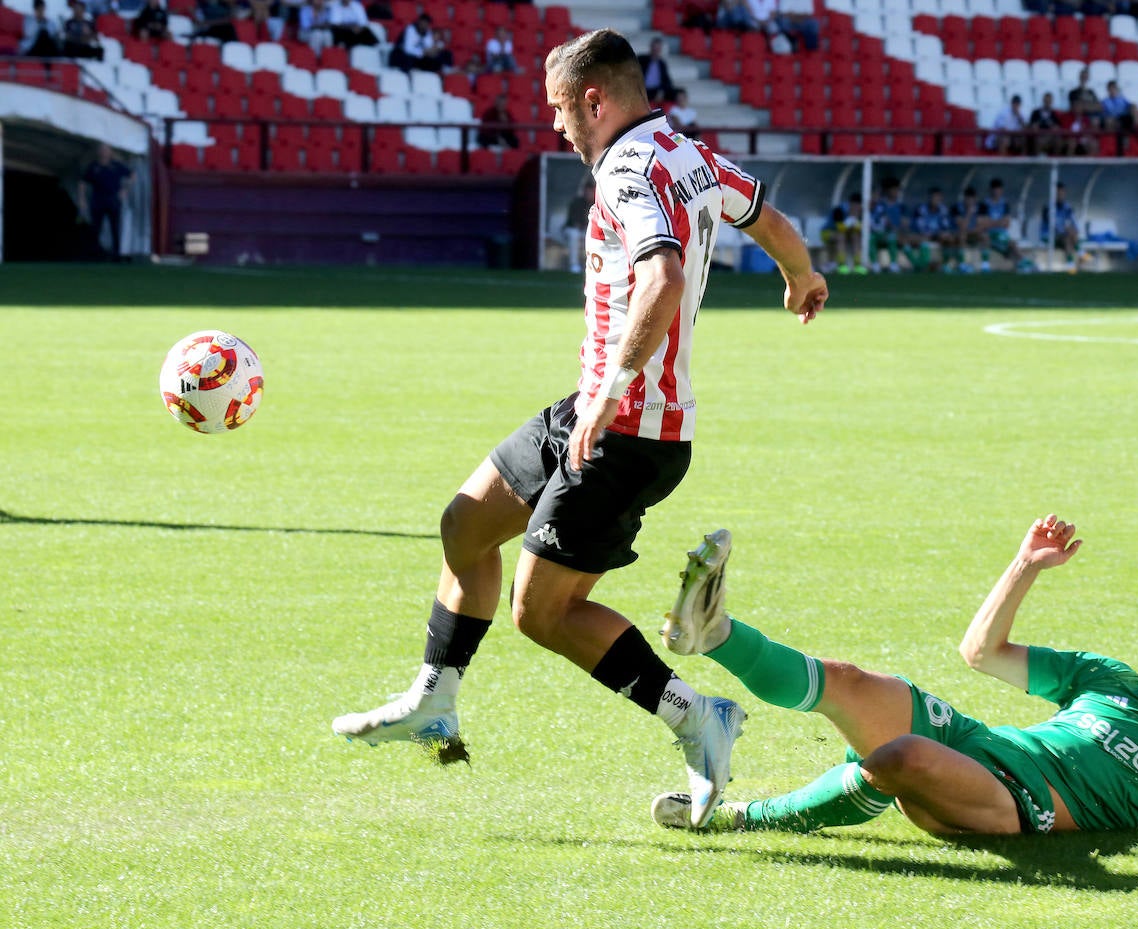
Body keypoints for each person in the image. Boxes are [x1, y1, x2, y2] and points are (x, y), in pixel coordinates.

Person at [331, 28, 829, 832]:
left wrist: (614, 389)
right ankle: (435, 700)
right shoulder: (689, 154)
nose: (559, 128)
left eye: (562, 110)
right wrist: (801, 272)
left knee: (544, 613)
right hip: (595, 410)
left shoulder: (627, 170)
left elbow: (662, 276)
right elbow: (765, 216)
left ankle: (699, 718)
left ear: (594, 100)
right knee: (467, 523)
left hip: (629, 430)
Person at [651, 516, 1138, 838]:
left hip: (1018, 803)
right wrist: (1025, 567)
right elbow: (981, 653)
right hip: (982, 745)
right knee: (850, 683)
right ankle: (714, 634)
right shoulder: (1106, 678)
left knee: (896, 758)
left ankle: (749, 817)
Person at [79, 143, 131, 260]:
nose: (104, 153)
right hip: (97, 201)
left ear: (110, 153)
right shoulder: (94, 167)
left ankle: (116, 254)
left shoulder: (116, 166)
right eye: (102, 150)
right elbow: (83, 182)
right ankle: (94, 254)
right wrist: (82, 199)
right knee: (95, 228)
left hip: (113, 201)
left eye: (106, 150)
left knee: (115, 228)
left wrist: (125, 190)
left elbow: (132, 175)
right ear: (98, 152)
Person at [978, 177, 1032, 272]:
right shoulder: (984, 204)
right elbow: (982, 224)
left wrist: (991, 222)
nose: (996, 192)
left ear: (1001, 190)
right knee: (985, 237)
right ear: (990, 190)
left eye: (998, 189)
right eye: (994, 189)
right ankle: (985, 266)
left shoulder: (1004, 204)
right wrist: (998, 222)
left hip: (1002, 235)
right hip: (990, 234)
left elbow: (1006, 223)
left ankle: (1023, 264)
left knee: (1011, 243)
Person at [911, 186, 960, 273]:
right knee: (914, 238)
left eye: (938, 197)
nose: (936, 199)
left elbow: (946, 227)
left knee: (951, 239)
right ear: (930, 197)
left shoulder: (943, 210)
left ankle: (946, 265)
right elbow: (920, 228)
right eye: (934, 197)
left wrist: (942, 234)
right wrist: (934, 234)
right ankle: (920, 265)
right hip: (924, 236)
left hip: (938, 236)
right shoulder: (921, 210)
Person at [1041, 181, 1086, 270]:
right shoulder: (1048, 207)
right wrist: (1066, 230)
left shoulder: (1067, 207)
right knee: (1067, 235)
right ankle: (1081, 253)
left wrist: (1074, 230)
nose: (1060, 195)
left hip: (1065, 236)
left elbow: (1074, 221)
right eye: (1058, 193)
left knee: (1068, 238)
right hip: (1048, 236)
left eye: (1062, 193)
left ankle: (1071, 266)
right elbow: (1053, 225)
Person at [388, 13, 454, 73]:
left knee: (445, 54)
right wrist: (423, 52)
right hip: (403, 55)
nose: (425, 25)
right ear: (419, 21)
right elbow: (408, 49)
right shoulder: (410, 30)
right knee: (407, 59)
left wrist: (434, 50)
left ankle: (446, 72)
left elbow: (429, 46)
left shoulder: (427, 32)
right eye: (423, 22)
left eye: (427, 23)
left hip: (419, 57)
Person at [819, 193, 863, 275]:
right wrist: (852, 221)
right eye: (856, 205)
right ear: (852, 203)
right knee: (841, 236)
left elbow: (861, 228)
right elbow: (840, 228)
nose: (857, 208)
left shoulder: (861, 212)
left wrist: (855, 223)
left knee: (856, 236)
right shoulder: (839, 210)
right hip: (827, 233)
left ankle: (858, 265)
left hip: (845, 234)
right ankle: (842, 265)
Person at [562, 178, 595, 273]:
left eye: (590, 191)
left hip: (588, 231)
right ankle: (574, 265)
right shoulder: (577, 202)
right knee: (574, 234)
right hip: (571, 230)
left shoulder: (597, 203)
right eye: (587, 191)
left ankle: (594, 265)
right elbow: (573, 221)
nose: (588, 193)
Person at [637, 37, 675, 102]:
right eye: (654, 48)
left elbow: (667, 81)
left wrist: (661, 91)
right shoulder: (641, 59)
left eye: (658, 49)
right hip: (644, 89)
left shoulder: (662, 64)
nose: (656, 50)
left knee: (674, 93)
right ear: (651, 48)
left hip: (656, 90)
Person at [1027, 91, 1064, 156]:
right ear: (1043, 100)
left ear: (1051, 102)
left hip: (1051, 137)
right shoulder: (1036, 112)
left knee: (1058, 141)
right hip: (1039, 136)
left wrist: (1051, 127)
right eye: (1046, 101)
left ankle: (1056, 162)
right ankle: (1038, 163)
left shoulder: (1055, 114)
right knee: (1038, 140)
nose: (1047, 103)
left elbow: (1057, 128)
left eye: (1049, 101)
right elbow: (1033, 127)